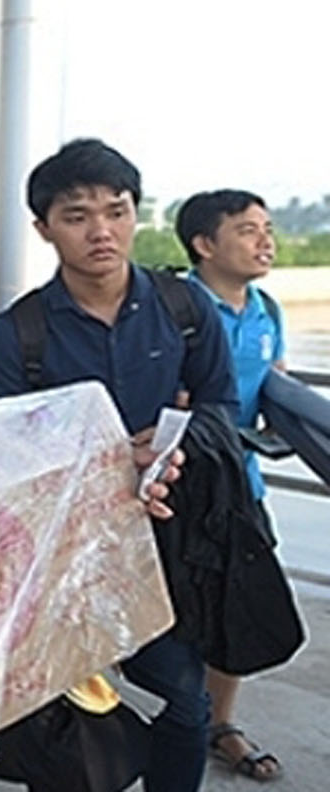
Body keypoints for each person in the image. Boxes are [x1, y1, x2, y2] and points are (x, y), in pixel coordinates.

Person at [0, 138, 238, 792]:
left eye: (116, 210)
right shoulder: (20, 331)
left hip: (169, 542)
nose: (102, 231)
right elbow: (5, 456)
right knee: (60, 711)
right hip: (64, 554)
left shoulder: (182, 308)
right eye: (77, 215)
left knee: (184, 700)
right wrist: (104, 463)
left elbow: (221, 406)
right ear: (44, 228)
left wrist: (176, 444)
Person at [174, 188, 284, 782]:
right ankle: (181, 718)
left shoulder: (268, 309)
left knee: (235, 603)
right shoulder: (175, 307)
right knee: (178, 609)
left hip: (244, 487)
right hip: (180, 486)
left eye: (266, 228)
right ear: (204, 244)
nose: (265, 239)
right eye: (247, 229)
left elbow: (277, 389)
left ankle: (220, 723)